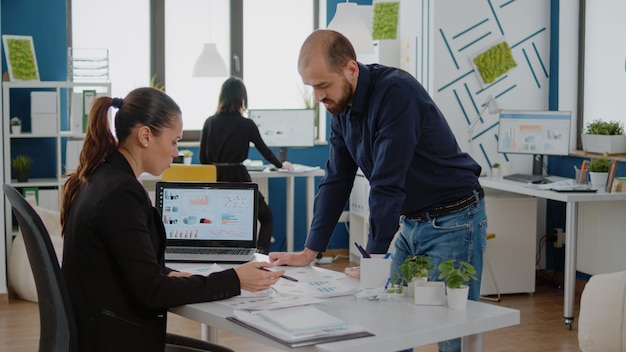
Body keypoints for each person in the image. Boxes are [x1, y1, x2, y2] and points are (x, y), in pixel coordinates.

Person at [269, 30, 487, 352]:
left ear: (351, 69)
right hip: (411, 223)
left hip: (454, 219)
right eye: (312, 87)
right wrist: (310, 250)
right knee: (389, 327)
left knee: (451, 335)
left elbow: (387, 182)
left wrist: (374, 259)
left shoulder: (396, 93)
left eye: (323, 85)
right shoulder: (339, 106)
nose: (318, 96)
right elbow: (336, 179)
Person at [60, 87, 283, 352]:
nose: (175, 152)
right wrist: (235, 278)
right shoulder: (121, 193)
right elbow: (152, 292)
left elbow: (126, 265)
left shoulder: (101, 177)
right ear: (145, 136)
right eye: (174, 141)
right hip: (117, 339)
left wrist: (171, 275)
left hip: (104, 330)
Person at [199, 77, 293, 254]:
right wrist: (281, 164)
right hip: (239, 179)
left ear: (222, 97)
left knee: (219, 221)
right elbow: (264, 150)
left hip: (215, 180)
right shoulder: (247, 124)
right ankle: (261, 255)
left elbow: (202, 158)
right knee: (266, 218)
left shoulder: (209, 122)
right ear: (242, 98)